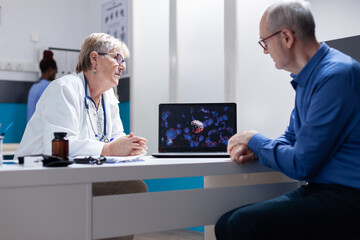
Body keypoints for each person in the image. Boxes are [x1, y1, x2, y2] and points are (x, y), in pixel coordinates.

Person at [215, 1, 360, 239]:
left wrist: (253, 139)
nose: (264, 50)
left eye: (265, 42)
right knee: (225, 223)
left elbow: (302, 165)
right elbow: (291, 137)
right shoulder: (309, 77)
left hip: (348, 196)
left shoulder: (336, 75)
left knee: (240, 225)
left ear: (286, 37)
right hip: (321, 190)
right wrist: (256, 148)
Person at [15, 33, 148, 240]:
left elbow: (115, 138)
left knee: (134, 187)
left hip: (78, 178)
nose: (123, 67)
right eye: (117, 58)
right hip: (39, 179)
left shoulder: (108, 97)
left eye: (124, 61)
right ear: (94, 58)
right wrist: (109, 149)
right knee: (130, 188)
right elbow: (58, 146)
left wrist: (129, 146)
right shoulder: (65, 88)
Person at [27, 50, 58, 122]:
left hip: (30, 130)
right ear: (50, 70)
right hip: (40, 130)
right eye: (55, 72)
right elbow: (50, 112)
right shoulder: (47, 86)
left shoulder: (34, 86)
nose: (55, 75)